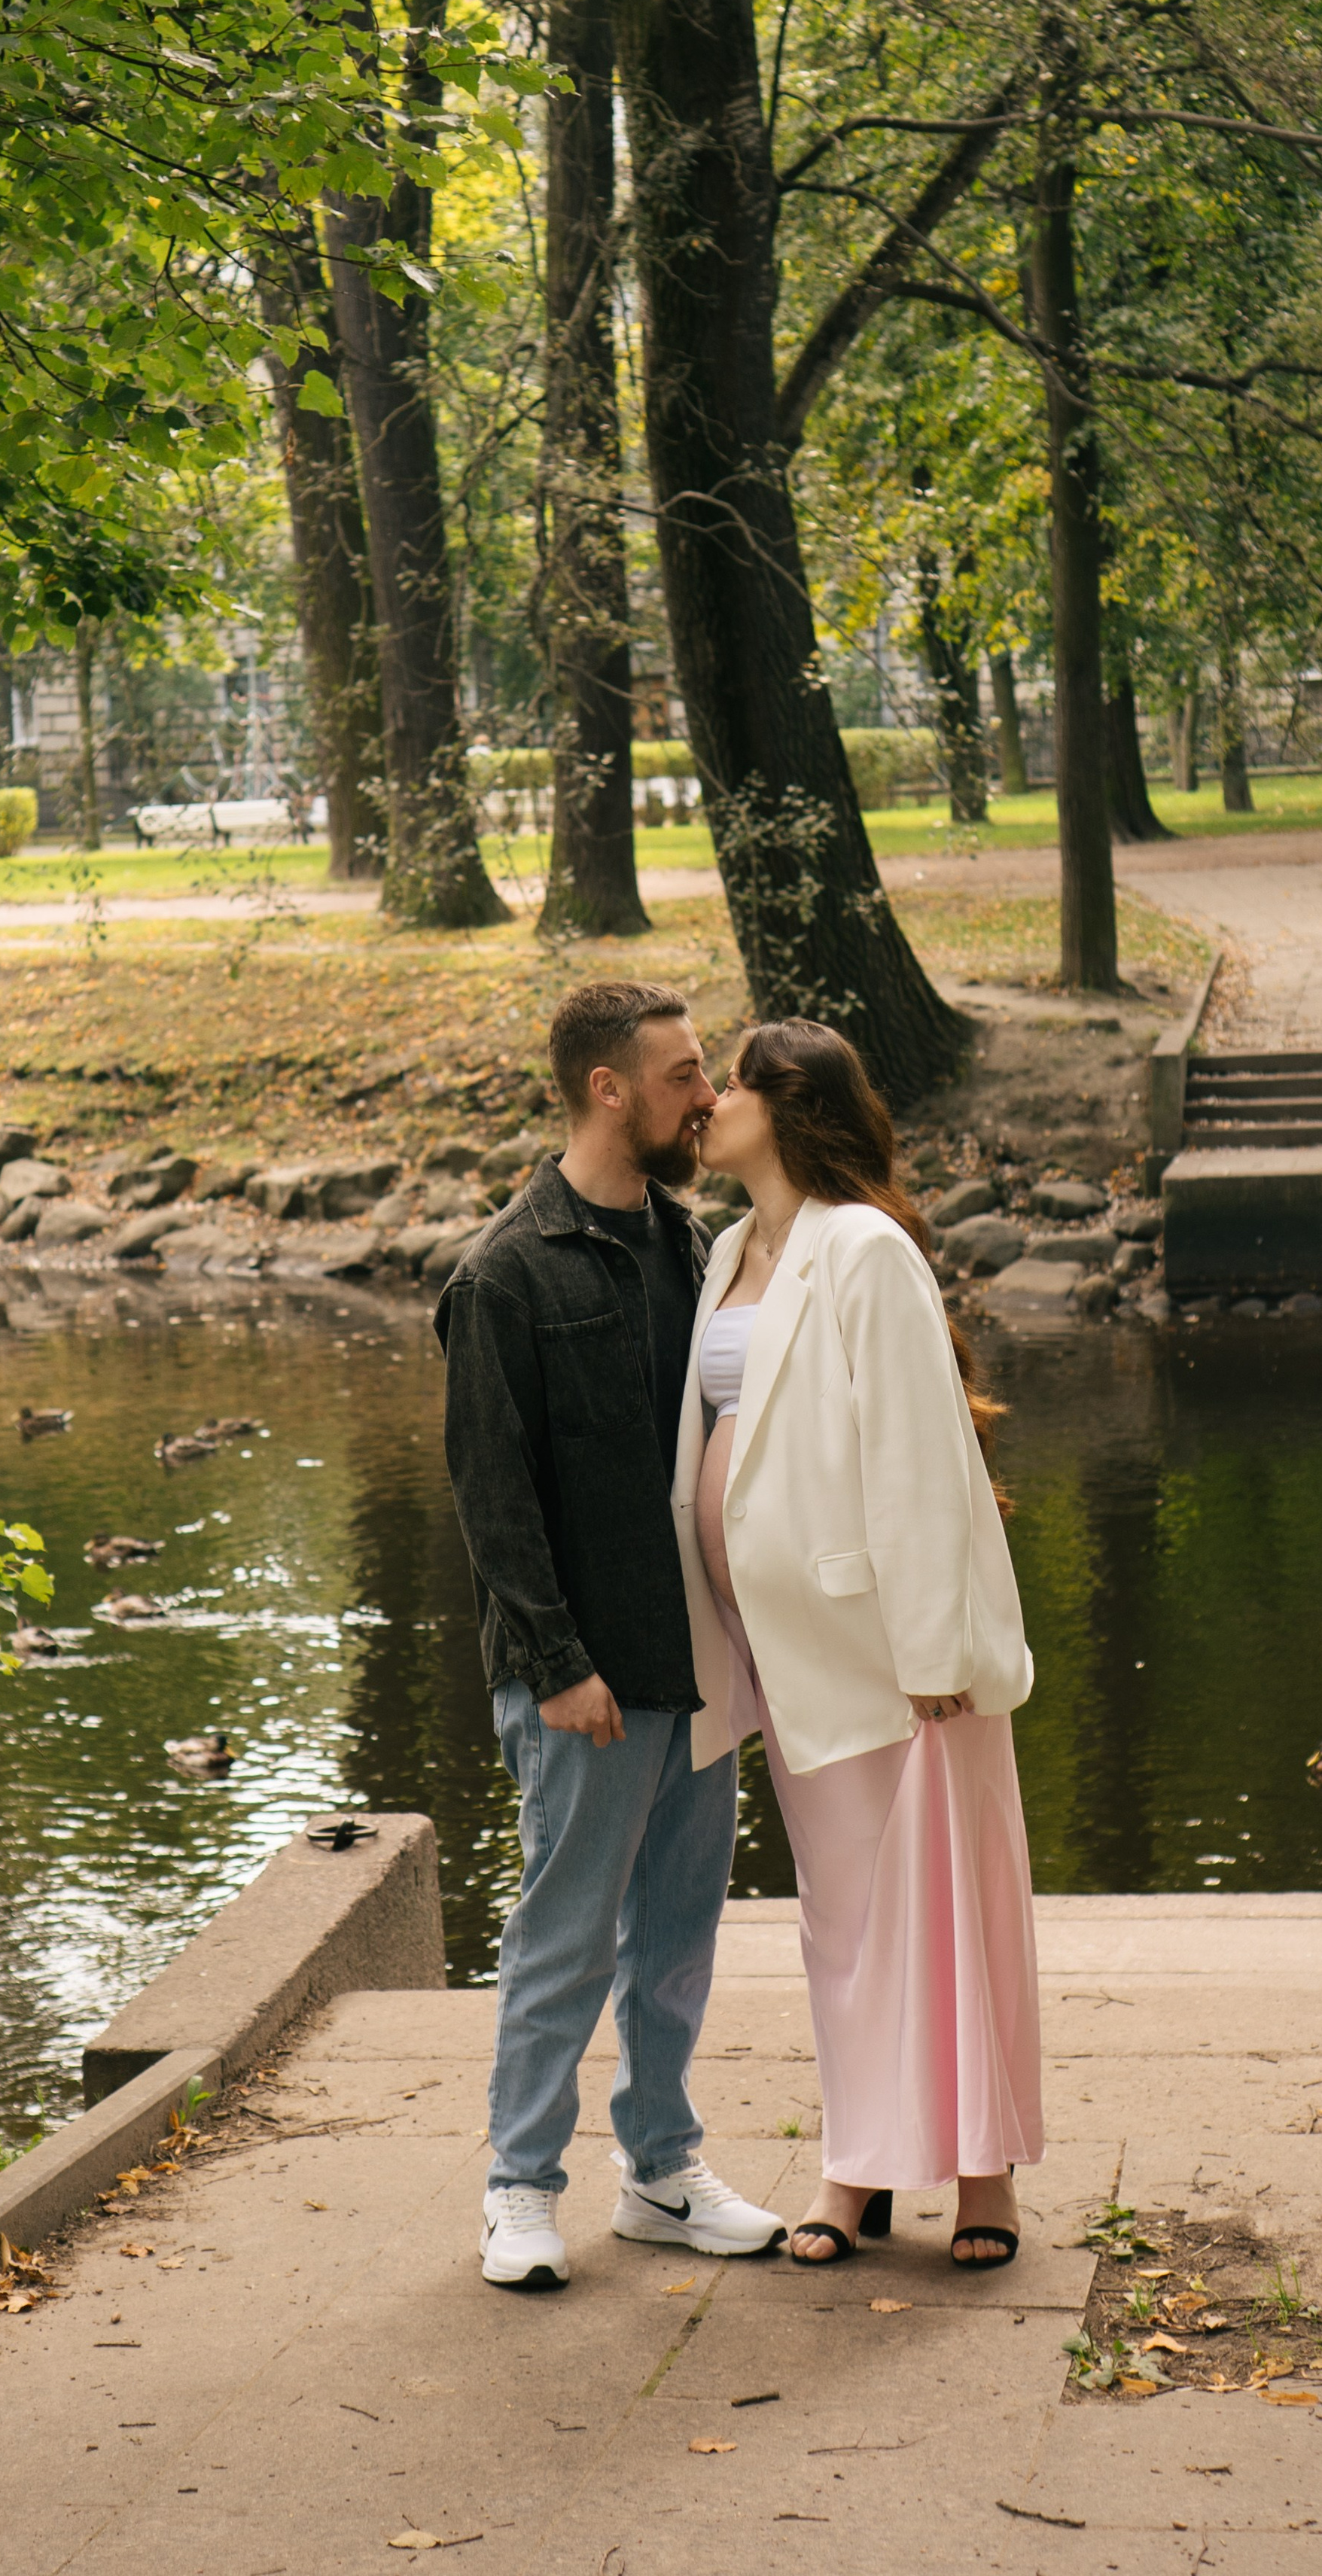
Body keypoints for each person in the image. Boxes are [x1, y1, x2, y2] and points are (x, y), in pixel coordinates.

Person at [435, 980, 787, 2291]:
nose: (708, 1096)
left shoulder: (695, 1250)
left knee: (679, 1939)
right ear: (610, 1090)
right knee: (563, 1939)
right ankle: (519, 2190)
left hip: (702, 1667)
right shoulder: (504, 1274)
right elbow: (494, 1499)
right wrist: (558, 1664)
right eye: (687, 1074)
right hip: (583, 1681)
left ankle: (662, 2174)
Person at [675, 1016, 1043, 2267]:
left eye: (732, 1084)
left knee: (942, 1901)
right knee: (841, 1919)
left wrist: (935, 1646)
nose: (710, 1102)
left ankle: (981, 2176)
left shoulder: (865, 1247)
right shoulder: (731, 1247)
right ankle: (860, 2165)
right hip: (780, 1648)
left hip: (893, 1651)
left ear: (789, 1106)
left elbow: (918, 1454)